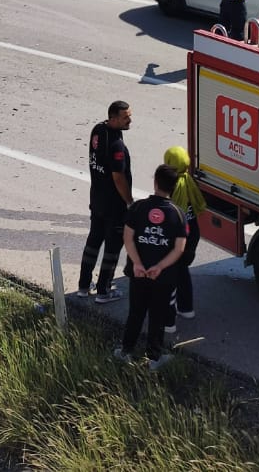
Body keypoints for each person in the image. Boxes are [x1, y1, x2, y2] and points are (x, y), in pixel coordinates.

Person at [115, 163, 189, 370]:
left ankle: (126, 351)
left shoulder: (138, 207)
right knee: (157, 316)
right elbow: (179, 249)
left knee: (135, 313)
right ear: (174, 187)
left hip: (138, 274)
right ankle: (154, 358)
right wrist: (159, 267)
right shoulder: (178, 214)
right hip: (163, 277)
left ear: (155, 182)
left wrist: (138, 264)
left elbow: (127, 238)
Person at [79, 100, 134, 304]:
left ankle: (84, 286)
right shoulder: (116, 144)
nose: (130, 120)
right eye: (125, 117)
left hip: (97, 199)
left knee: (93, 240)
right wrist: (129, 201)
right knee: (112, 246)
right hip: (114, 205)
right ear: (113, 118)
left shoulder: (98, 130)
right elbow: (118, 177)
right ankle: (103, 290)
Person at [163, 146, 203, 331]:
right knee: (183, 270)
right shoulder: (189, 180)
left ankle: (168, 320)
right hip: (192, 233)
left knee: (171, 274)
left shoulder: (169, 185)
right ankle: (186, 308)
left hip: (178, 237)